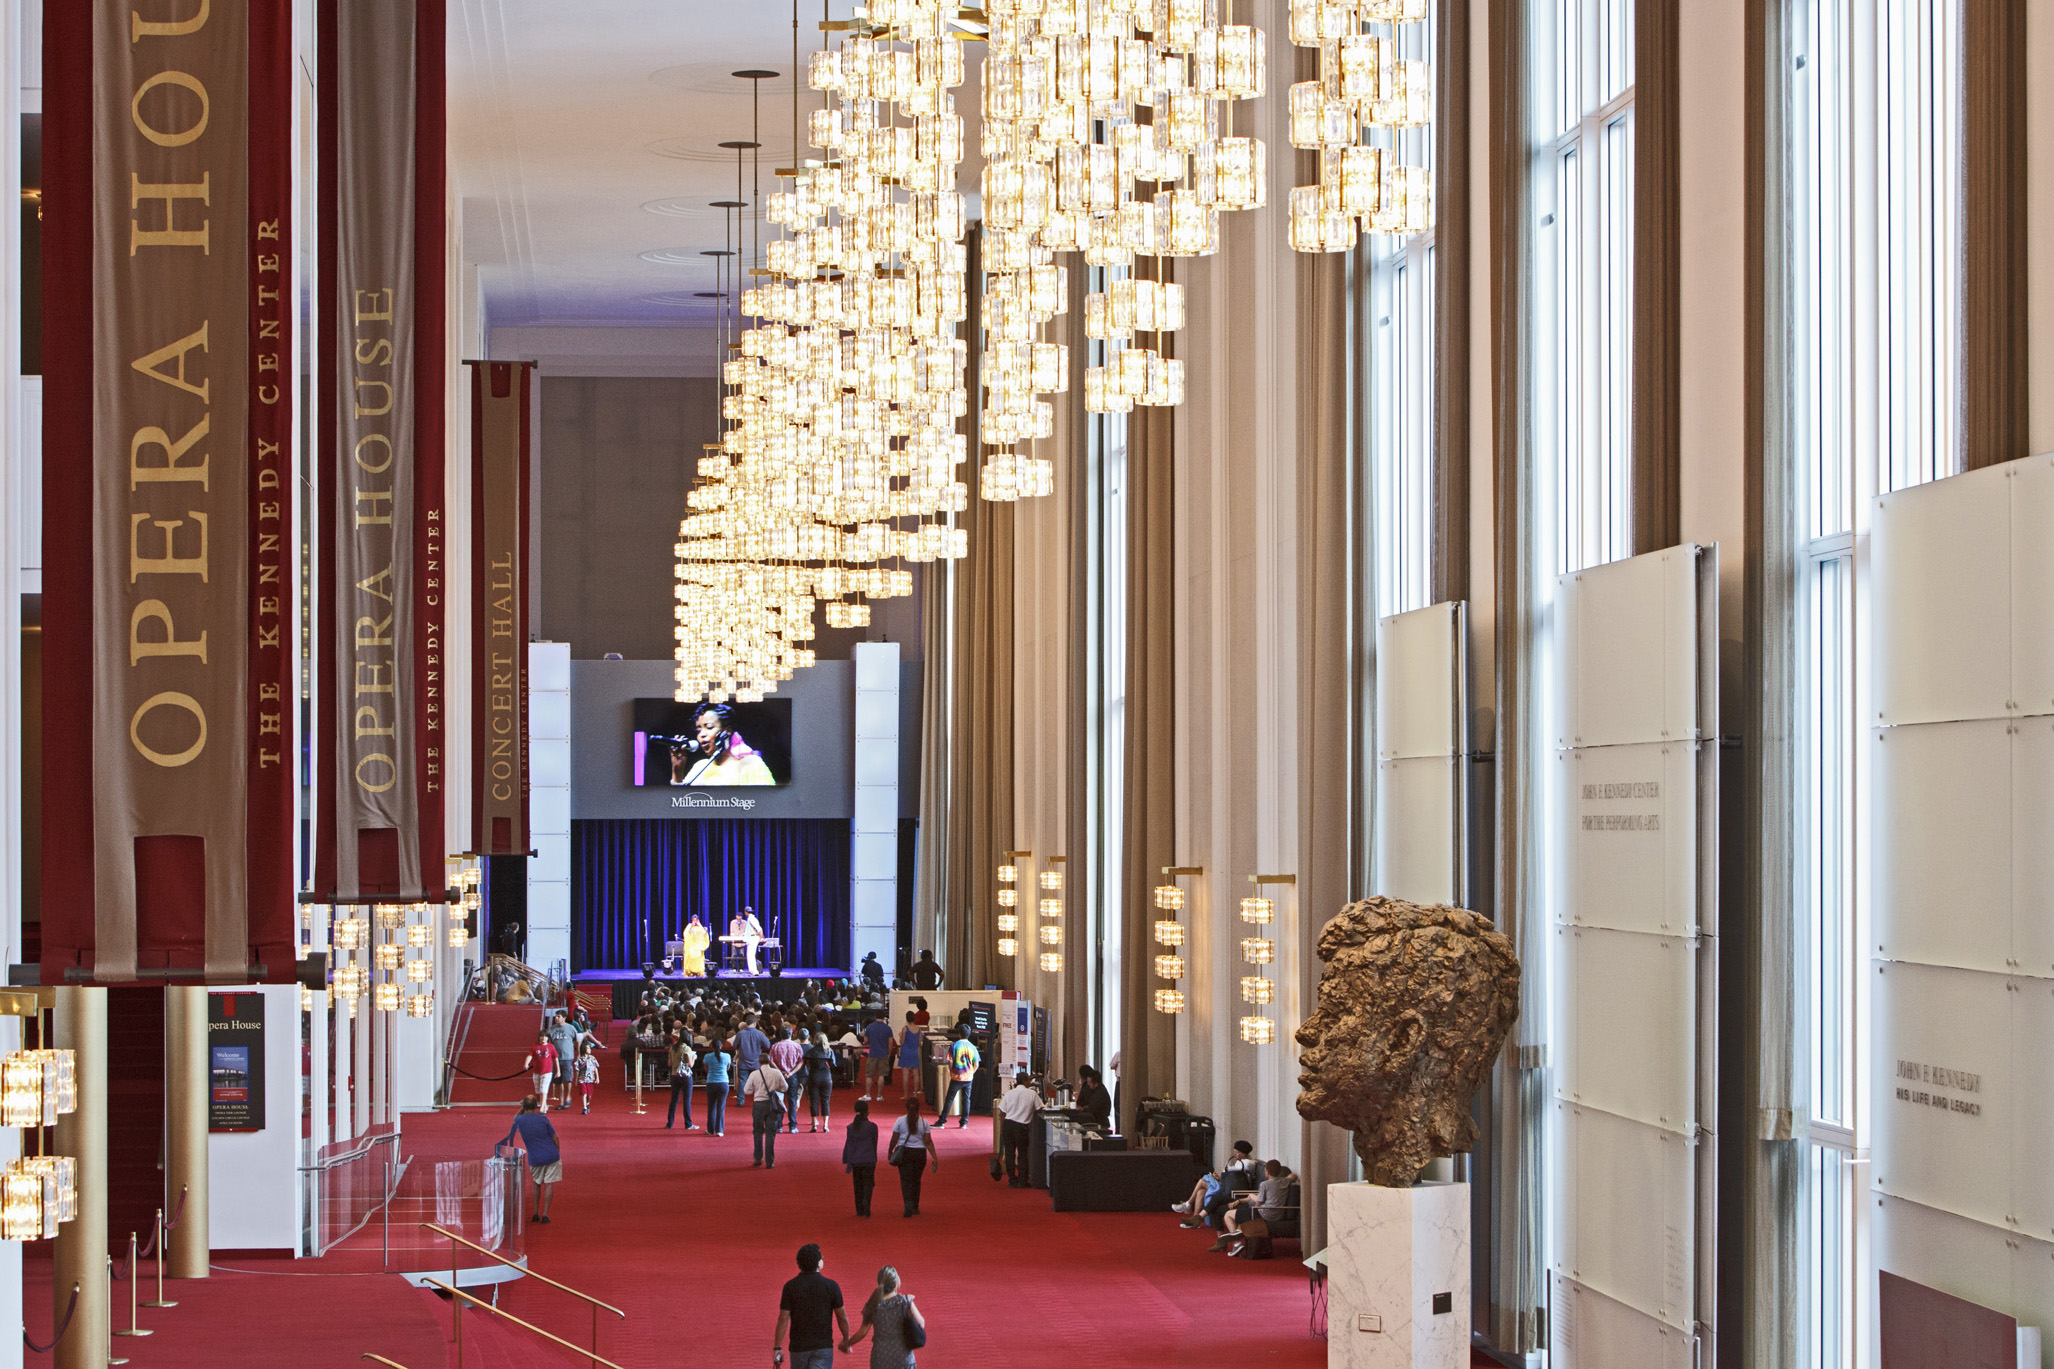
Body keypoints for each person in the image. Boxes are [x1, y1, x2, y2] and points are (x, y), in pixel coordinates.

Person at [773, 1242, 849, 1369]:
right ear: (818, 1263)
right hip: (823, 1347)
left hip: (798, 1347)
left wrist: (777, 1347)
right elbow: (842, 1317)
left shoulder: (790, 1287)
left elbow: (783, 1318)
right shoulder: (831, 1286)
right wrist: (846, 1340)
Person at [673, 700, 777, 786]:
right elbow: (683, 803)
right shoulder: (700, 767)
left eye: (709, 727)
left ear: (727, 731)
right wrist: (677, 772)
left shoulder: (751, 764)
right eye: (698, 730)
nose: (702, 734)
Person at [841, 1265, 924, 1367]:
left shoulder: (872, 1305)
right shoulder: (905, 1301)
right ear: (896, 1283)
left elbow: (862, 1332)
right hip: (904, 1358)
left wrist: (846, 1344)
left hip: (880, 1359)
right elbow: (921, 1323)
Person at [1212, 1159, 1296, 1253]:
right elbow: (1294, 1176)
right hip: (1278, 1214)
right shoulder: (1285, 1181)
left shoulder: (1265, 1184)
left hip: (1264, 1213)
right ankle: (1238, 1232)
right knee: (1239, 1213)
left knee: (1228, 1215)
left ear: (1267, 1172)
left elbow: (1258, 1204)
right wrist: (1287, 1177)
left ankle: (1237, 1243)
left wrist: (1252, 1197)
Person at [501, 1095, 561, 1224]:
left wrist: (522, 1107)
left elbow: (515, 1117)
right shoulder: (543, 1119)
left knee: (536, 1183)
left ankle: (535, 1212)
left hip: (535, 1156)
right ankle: (545, 1214)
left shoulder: (519, 1120)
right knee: (549, 1184)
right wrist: (557, 1152)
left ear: (524, 1106)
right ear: (536, 1106)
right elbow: (555, 1138)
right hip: (551, 1154)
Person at [1173, 1139, 1259, 1229]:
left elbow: (1233, 1172)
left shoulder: (1248, 1163)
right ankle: (1195, 1219)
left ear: (1244, 1153)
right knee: (1201, 1191)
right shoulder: (1239, 1162)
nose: (1234, 1154)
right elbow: (1231, 1177)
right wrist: (1219, 1178)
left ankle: (1188, 1204)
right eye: (1234, 1152)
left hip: (1234, 1191)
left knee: (1202, 1181)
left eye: (1237, 1152)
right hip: (1228, 1186)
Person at [887, 1096, 938, 1217]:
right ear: (918, 1109)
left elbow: (894, 1138)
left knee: (905, 1180)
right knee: (916, 1180)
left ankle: (907, 1203)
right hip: (920, 1154)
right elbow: (928, 1141)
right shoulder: (924, 1123)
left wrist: (890, 1151)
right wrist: (935, 1157)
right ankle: (915, 1206)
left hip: (905, 1153)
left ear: (906, 1108)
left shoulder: (900, 1121)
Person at [746, 1055, 790, 1169]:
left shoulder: (754, 1074)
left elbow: (747, 1090)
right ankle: (770, 1161)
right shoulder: (776, 1073)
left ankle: (757, 1158)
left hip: (758, 1104)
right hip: (772, 1105)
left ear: (759, 1062)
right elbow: (785, 1087)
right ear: (770, 1061)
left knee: (757, 1131)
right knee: (771, 1133)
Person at [997, 1070, 1040, 1186]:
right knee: (1022, 1154)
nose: (1030, 1082)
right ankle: (1023, 1180)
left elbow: (1002, 1112)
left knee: (1010, 1153)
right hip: (1022, 1126)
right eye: (1029, 1080)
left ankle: (1012, 1180)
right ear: (1025, 1081)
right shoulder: (1032, 1094)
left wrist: (1002, 1129)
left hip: (1008, 1125)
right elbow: (1040, 1108)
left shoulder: (1009, 1093)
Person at [842, 1099, 879, 1217]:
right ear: (867, 1112)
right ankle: (866, 1201)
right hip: (869, 1158)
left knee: (857, 1185)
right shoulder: (872, 1127)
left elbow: (849, 1144)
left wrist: (848, 1160)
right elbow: (874, 1143)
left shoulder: (851, 1127)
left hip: (856, 1159)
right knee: (869, 1183)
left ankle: (859, 1209)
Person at [768, 1026, 806, 1133]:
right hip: (792, 1075)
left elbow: (771, 1061)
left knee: (779, 1100)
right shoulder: (797, 1046)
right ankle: (792, 1126)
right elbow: (801, 1062)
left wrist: (780, 1071)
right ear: (791, 1034)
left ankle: (779, 1126)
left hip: (779, 1075)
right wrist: (791, 1072)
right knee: (792, 1100)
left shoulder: (775, 1046)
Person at [940, 1027, 979, 1128]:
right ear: (969, 1034)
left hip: (956, 1077)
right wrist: (971, 1073)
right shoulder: (972, 1047)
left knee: (949, 1099)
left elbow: (950, 1061)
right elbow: (976, 1064)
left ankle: (942, 1121)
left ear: (959, 1034)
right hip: (968, 1078)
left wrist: (951, 1071)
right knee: (966, 1099)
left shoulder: (954, 1045)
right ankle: (964, 1122)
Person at [546, 1012, 580, 1109]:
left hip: (567, 1057)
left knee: (568, 1079)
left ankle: (568, 1096)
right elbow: (549, 1042)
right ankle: (561, 1102)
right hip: (556, 1058)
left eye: (558, 1016)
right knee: (558, 1081)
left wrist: (577, 1053)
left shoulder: (570, 1028)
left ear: (564, 1018)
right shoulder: (552, 1029)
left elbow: (577, 1040)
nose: (556, 1018)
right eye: (556, 1016)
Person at [665, 1028, 697, 1130]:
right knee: (686, 1101)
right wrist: (694, 1057)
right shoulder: (686, 1048)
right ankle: (688, 1123)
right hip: (685, 1077)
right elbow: (690, 1065)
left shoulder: (673, 1047)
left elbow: (669, 1063)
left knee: (673, 1100)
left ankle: (669, 1123)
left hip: (674, 1075)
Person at [804, 1030, 836, 1131]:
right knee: (825, 1101)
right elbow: (833, 1064)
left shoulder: (810, 1051)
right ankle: (825, 1125)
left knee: (813, 1101)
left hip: (813, 1076)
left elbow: (806, 1063)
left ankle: (814, 1124)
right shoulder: (829, 1051)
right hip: (826, 1077)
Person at [703, 1036, 732, 1137]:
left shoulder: (707, 1057)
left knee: (711, 1107)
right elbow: (728, 1068)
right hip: (723, 1082)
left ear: (711, 1046)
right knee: (721, 1107)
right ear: (721, 1046)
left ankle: (710, 1129)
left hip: (711, 1082)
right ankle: (719, 1130)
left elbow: (706, 1069)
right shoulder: (727, 1056)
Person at [861, 1013, 894, 1101]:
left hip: (872, 1054)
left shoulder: (870, 1027)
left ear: (875, 1017)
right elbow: (890, 1043)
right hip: (883, 1053)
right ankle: (879, 1095)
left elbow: (865, 1040)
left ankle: (868, 1095)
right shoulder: (887, 1028)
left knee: (869, 1075)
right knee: (881, 1075)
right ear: (883, 1018)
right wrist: (889, 1053)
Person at [523, 1032, 560, 1113]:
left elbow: (556, 1058)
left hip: (547, 1071)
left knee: (544, 1089)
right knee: (539, 1090)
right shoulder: (535, 1046)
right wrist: (526, 1063)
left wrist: (558, 1070)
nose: (543, 1038)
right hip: (537, 1071)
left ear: (548, 1038)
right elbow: (530, 1055)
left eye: (545, 1036)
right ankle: (544, 1104)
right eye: (541, 1036)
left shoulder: (551, 1046)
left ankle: (542, 1107)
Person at [734, 1012, 772, 1085]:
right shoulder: (760, 1034)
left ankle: (741, 1097)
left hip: (743, 1063)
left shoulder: (740, 1034)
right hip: (756, 1063)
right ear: (755, 1023)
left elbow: (735, 1046)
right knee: (758, 1084)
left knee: (742, 1083)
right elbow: (767, 1045)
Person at [731, 907, 768, 975]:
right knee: (750, 955)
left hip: (753, 937)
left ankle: (754, 971)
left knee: (751, 955)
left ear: (746, 912)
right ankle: (752, 970)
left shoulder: (751, 919)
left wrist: (762, 937)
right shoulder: (750, 919)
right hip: (751, 938)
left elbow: (758, 928)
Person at [1075, 1064, 1112, 1129]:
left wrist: (1083, 1108)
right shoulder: (1096, 1090)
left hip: (1099, 1121)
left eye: (1089, 1083)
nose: (1088, 1085)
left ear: (1096, 1084)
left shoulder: (1100, 1093)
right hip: (1095, 1117)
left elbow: (1092, 1107)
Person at [895, 1013, 922, 1100]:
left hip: (906, 1052)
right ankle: (915, 1095)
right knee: (916, 1074)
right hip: (914, 1052)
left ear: (906, 1019)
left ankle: (906, 1095)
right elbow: (919, 1043)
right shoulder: (918, 1029)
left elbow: (901, 1042)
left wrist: (900, 1036)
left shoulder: (905, 1029)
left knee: (905, 1075)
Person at [574, 1042, 600, 1115]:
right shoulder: (580, 1059)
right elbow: (577, 1070)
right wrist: (576, 1080)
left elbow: (595, 1068)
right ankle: (584, 1107)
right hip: (582, 1078)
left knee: (589, 1094)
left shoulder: (592, 1058)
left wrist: (597, 1077)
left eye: (589, 1048)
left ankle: (587, 1103)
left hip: (590, 1079)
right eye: (588, 1048)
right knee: (584, 1092)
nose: (589, 1050)